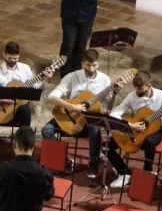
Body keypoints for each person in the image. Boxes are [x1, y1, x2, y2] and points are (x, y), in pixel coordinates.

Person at [0, 41, 53, 165]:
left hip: (19, 112)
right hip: (2, 111)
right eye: (9, 58)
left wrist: (46, 79)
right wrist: (0, 100)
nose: (12, 62)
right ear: (4, 55)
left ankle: (24, 156)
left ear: (19, 56)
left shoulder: (25, 69)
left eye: (15, 59)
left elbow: (36, 88)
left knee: (25, 111)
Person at [42, 48, 114, 178]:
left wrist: (114, 94)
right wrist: (73, 106)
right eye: (88, 65)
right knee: (47, 130)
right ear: (82, 63)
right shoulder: (72, 77)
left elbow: (109, 107)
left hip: (90, 120)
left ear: (99, 64)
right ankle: (63, 162)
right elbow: (52, 97)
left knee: (95, 127)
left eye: (94, 65)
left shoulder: (105, 80)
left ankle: (93, 161)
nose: (91, 68)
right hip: (71, 118)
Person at [107, 71, 162, 188]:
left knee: (148, 141)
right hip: (134, 128)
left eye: (140, 89)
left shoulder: (161, 95)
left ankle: (147, 171)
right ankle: (124, 173)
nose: (138, 92)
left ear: (149, 85)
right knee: (106, 146)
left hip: (154, 131)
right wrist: (130, 124)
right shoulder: (132, 96)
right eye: (136, 89)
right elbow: (114, 113)